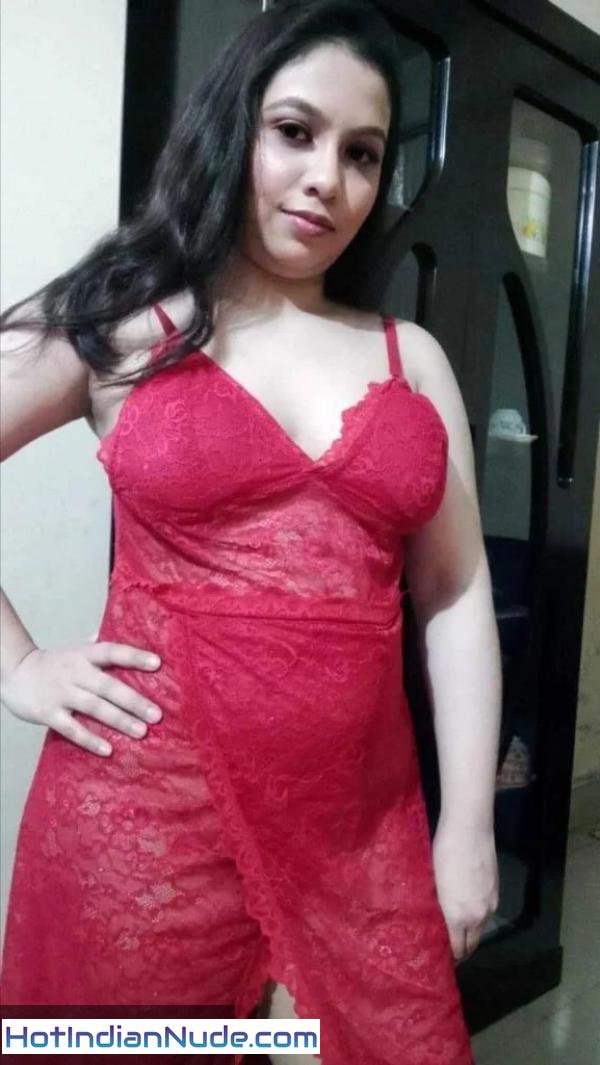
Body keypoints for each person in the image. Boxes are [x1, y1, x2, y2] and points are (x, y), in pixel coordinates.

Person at [0, 1, 502, 1062]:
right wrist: (20, 666)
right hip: (142, 826)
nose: (328, 178)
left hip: (362, 830)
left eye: (362, 154)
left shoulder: (412, 359)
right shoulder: (130, 321)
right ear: (236, 127)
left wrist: (468, 826)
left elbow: (455, 594)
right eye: (296, 132)